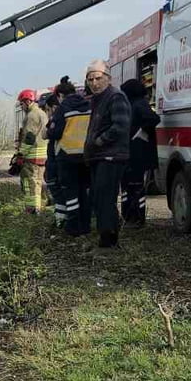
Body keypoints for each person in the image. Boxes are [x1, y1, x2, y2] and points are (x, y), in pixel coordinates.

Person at [83, 61, 131, 250]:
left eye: (98, 78)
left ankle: (109, 240)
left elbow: (120, 126)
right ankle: (107, 235)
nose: (94, 83)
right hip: (99, 156)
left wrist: (98, 141)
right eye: (90, 79)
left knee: (105, 198)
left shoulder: (115, 97)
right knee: (99, 198)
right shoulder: (97, 99)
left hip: (111, 156)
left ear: (108, 79)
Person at [47, 76, 93, 236]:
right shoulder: (88, 105)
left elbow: (55, 132)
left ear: (60, 95)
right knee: (84, 191)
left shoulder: (63, 108)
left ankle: (73, 227)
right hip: (87, 156)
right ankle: (86, 226)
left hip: (67, 157)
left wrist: (48, 133)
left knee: (71, 192)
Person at [120, 77, 160, 228]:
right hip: (132, 153)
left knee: (134, 187)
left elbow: (153, 119)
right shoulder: (133, 104)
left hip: (138, 154)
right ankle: (129, 217)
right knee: (130, 187)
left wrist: (140, 132)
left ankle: (136, 218)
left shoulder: (137, 104)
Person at [14, 89, 48, 213]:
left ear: (28, 101)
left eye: (22, 104)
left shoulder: (31, 115)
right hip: (41, 156)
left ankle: (32, 210)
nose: (21, 107)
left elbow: (29, 137)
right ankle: (38, 208)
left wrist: (20, 154)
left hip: (31, 156)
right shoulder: (42, 113)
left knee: (29, 184)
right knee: (38, 183)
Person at [41, 92, 63, 228]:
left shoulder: (57, 120)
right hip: (58, 162)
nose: (47, 114)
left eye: (47, 110)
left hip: (56, 164)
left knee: (59, 195)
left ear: (53, 108)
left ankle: (61, 222)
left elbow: (45, 134)